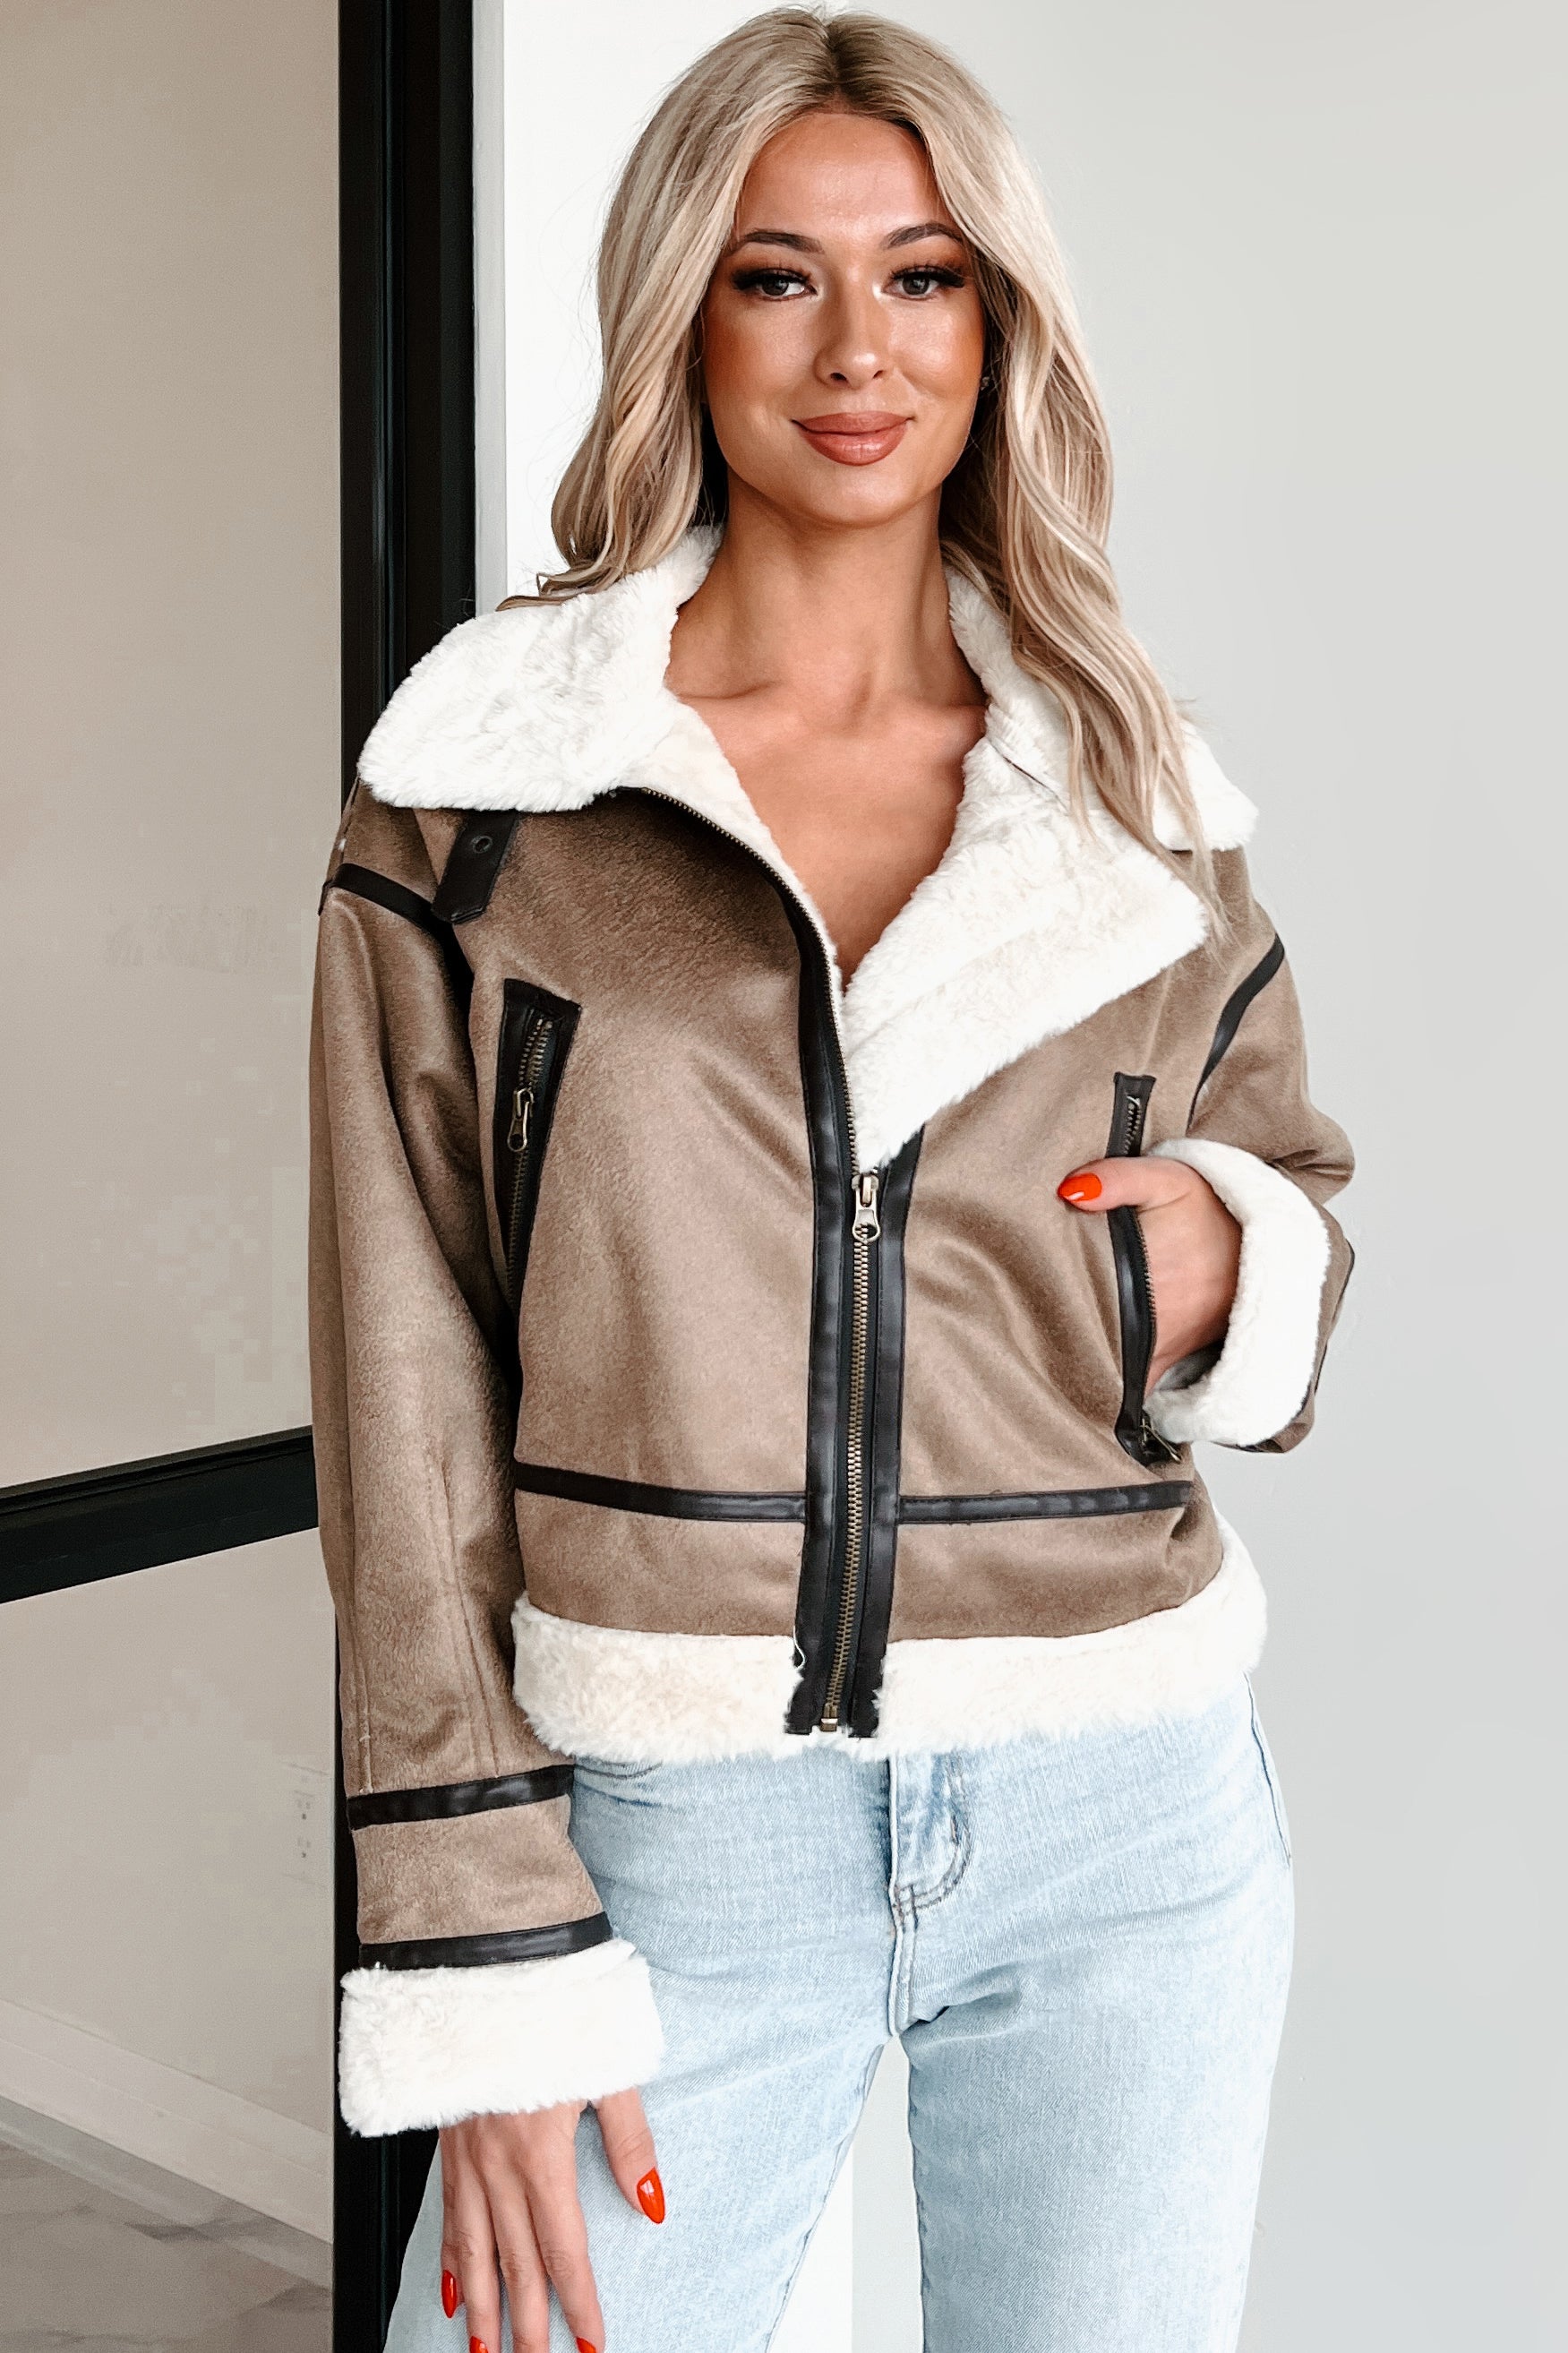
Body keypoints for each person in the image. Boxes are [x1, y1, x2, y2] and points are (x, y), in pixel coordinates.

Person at [308, 11, 1353, 2350]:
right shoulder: (494, 789)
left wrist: (1237, 1257)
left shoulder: (1125, 781)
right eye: (780, 277)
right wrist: (484, 1947)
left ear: (998, 324)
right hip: (674, 1829)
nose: (858, 349)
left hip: (1125, 1809)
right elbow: (405, 1388)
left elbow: (1285, 1180)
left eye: (924, 276)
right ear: (686, 316)